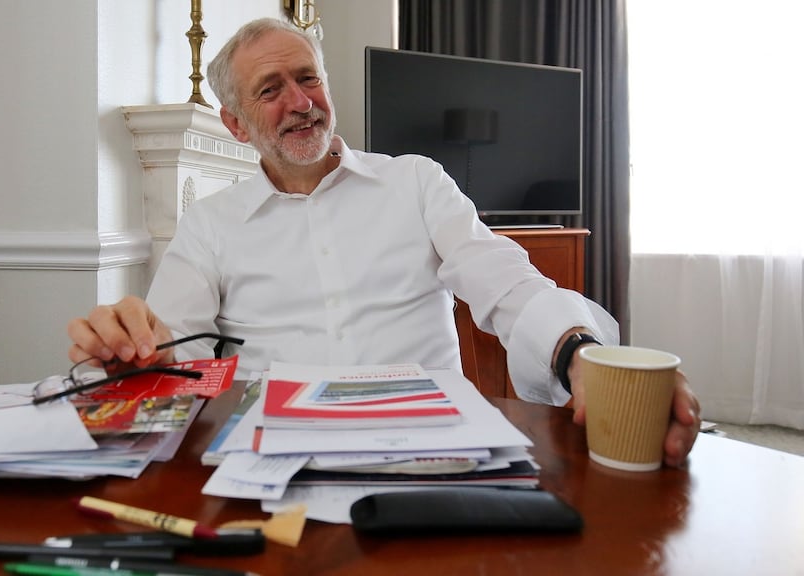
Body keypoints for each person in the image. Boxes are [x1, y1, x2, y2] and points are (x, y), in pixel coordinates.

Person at [67, 17, 700, 467]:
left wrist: (580, 354)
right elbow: (177, 351)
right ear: (234, 124)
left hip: (430, 445)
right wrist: (136, 356)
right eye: (270, 89)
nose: (300, 102)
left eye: (307, 78)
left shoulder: (417, 182)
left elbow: (507, 284)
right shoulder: (209, 224)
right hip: (272, 452)